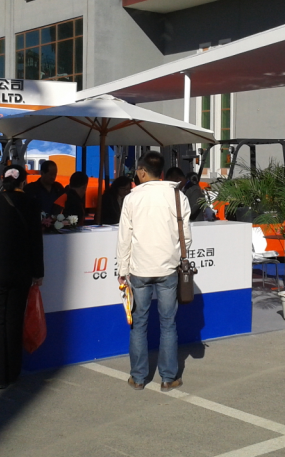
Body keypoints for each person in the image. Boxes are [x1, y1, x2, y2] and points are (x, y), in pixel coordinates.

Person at [117, 151, 191, 392]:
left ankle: (138, 378)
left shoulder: (132, 198)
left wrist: (122, 269)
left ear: (141, 171)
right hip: (168, 269)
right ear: (161, 172)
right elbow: (186, 237)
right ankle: (168, 378)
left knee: (139, 324)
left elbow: (124, 238)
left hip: (139, 269)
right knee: (168, 324)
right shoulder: (178, 196)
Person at [0, 164, 44, 389]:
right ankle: (13, 371)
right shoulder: (32, 203)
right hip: (22, 268)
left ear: (2, 181)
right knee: (15, 318)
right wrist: (38, 272)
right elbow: (36, 239)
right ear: (23, 182)